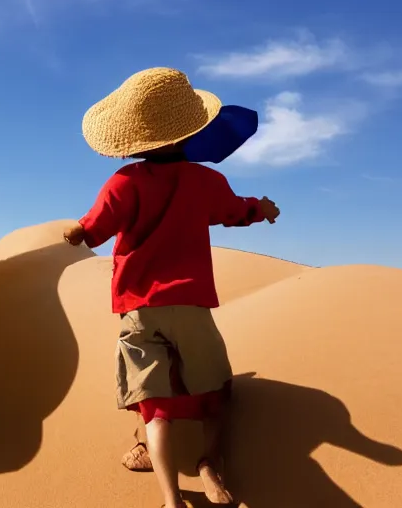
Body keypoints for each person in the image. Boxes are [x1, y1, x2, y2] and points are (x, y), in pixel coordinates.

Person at [63, 67, 280, 508]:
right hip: (191, 300)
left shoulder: (123, 183)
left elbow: (94, 228)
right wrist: (263, 208)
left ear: (136, 140)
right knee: (213, 391)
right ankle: (209, 465)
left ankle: (170, 498)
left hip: (140, 306)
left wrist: (77, 231)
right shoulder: (206, 181)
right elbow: (236, 213)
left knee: (154, 406)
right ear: (191, 131)